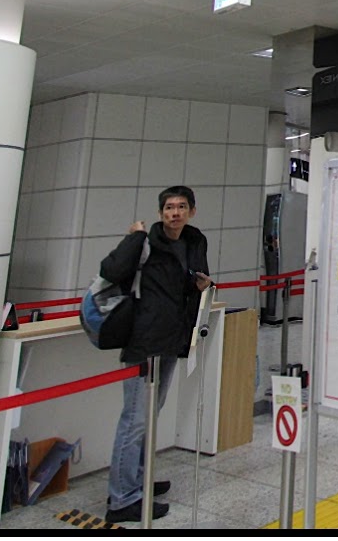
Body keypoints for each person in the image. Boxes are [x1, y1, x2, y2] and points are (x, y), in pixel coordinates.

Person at [102, 186, 210, 524]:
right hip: (144, 341)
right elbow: (110, 271)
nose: (174, 213)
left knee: (149, 416)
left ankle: (136, 481)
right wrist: (133, 238)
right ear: (161, 212)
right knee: (135, 420)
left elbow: (182, 284)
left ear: (191, 211)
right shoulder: (146, 241)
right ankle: (122, 499)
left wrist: (198, 286)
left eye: (181, 207)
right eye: (168, 207)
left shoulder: (194, 241)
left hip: (172, 338)